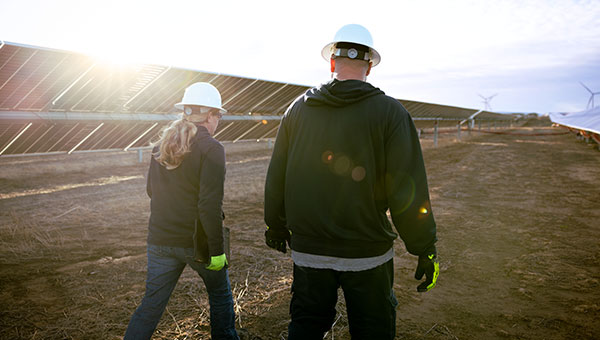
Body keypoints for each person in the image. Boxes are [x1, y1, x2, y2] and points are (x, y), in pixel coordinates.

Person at [263, 24, 439, 340]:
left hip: (309, 250)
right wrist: (423, 246)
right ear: (369, 66)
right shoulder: (391, 113)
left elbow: (278, 174)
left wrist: (274, 225)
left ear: (332, 62)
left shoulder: (297, 110)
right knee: (373, 329)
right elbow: (406, 188)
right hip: (367, 252)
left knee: (306, 326)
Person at [124, 82, 239, 340]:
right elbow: (209, 206)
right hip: (197, 242)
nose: (218, 120)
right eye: (218, 115)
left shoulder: (161, 146)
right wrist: (217, 251)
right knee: (220, 296)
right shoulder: (212, 149)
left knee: (151, 306)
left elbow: (151, 191)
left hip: (160, 240)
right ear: (210, 115)